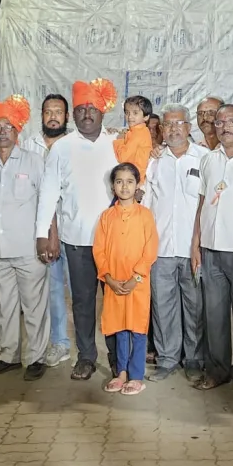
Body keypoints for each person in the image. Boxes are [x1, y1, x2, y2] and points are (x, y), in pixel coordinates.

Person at [36, 79, 121, 381]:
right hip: (76, 240)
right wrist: (42, 233)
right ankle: (86, 356)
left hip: (112, 241)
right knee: (83, 303)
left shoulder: (116, 144)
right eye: (82, 109)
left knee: (113, 301)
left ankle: (117, 357)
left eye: (92, 109)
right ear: (74, 115)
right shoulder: (62, 147)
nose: (87, 114)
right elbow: (48, 193)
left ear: (102, 113)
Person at [190, 104, 233, 393]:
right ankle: (217, 369)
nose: (224, 126)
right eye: (219, 122)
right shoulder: (209, 159)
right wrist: (196, 243)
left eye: (231, 121)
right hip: (211, 248)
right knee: (214, 313)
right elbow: (202, 202)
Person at [0, 97, 50, 381]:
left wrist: (47, 238)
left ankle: (36, 357)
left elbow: (48, 202)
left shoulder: (34, 161)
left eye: (7, 126)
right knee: (6, 306)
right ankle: (9, 354)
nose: (2, 131)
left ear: (17, 130)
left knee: (33, 305)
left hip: (28, 248)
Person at [143, 104, 207, 383]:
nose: (173, 129)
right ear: (161, 130)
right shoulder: (154, 161)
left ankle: (193, 358)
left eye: (178, 124)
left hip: (193, 249)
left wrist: (201, 244)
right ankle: (167, 358)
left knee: (195, 307)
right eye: (167, 125)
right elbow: (145, 204)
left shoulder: (204, 158)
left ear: (189, 127)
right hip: (161, 248)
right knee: (163, 306)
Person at [94, 163, 158, 396]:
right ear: (113, 186)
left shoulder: (145, 215)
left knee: (138, 328)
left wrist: (136, 277)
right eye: (119, 181)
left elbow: (150, 249)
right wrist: (108, 278)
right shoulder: (106, 217)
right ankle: (121, 373)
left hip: (137, 284)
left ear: (137, 185)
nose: (124, 186)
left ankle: (137, 376)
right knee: (119, 327)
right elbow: (99, 250)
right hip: (114, 283)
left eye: (129, 181)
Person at [24, 94, 72, 369]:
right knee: (51, 291)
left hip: (74, 229)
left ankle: (89, 348)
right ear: (41, 115)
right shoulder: (28, 145)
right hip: (42, 231)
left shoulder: (74, 145)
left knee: (80, 292)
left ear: (66, 117)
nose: (53, 116)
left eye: (58, 111)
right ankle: (59, 343)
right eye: (48, 111)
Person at [114, 95, 153, 182]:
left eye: (135, 113)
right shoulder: (139, 131)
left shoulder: (138, 134)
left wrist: (119, 140)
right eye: (127, 113)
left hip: (134, 181)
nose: (130, 117)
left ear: (146, 117)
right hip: (134, 178)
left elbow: (122, 158)